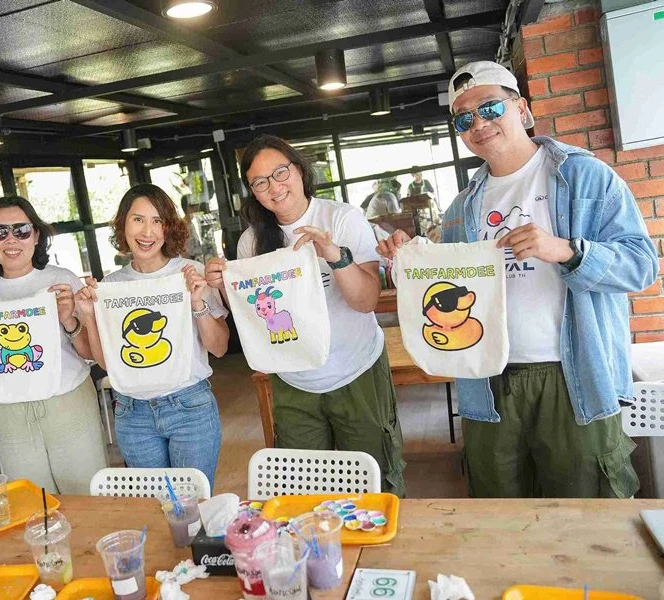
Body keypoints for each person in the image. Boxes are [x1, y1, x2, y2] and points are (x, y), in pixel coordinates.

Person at [377, 61, 658, 498]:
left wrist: (565, 250)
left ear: (522, 110)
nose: (478, 124)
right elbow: (447, 282)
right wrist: (407, 257)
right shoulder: (462, 206)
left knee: (586, 508)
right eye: (464, 118)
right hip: (487, 380)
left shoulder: (583, 176)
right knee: (499, 508)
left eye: (490, 108)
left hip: (575, 376)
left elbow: (641, 265)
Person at [206, 134, 405, 495]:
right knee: (306, 489)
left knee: (373, 484)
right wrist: (224, 287)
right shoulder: (251, 242)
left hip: (356, 371)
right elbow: (254, 317)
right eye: (260, 182)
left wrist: (334, 255)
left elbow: (366, 302)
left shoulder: (342, 218)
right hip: (293, 381)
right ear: (253, 192)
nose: (274, 187)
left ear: (299, 170)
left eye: (280, 172)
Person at [0, 195, 107, 495]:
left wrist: (69, 319)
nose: (11, 239)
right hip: (9, 412)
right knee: (31, 501)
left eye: (21, 230)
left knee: (87, 495)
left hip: (67, 401)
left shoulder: (62, 280)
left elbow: (89, 353)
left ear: (36, 235)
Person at [77, 184, 228, 489]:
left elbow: (220, 347)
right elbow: (108, 364)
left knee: (193, 504)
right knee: (154, 507)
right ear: (123, 224)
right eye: (138, 219)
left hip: (190, 407)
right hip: (133, 413)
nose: (147, 231)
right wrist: (89, 316)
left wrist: (197, 302)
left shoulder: (190, 272)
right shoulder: (111, 286)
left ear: (168, 227)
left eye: (157, 221)